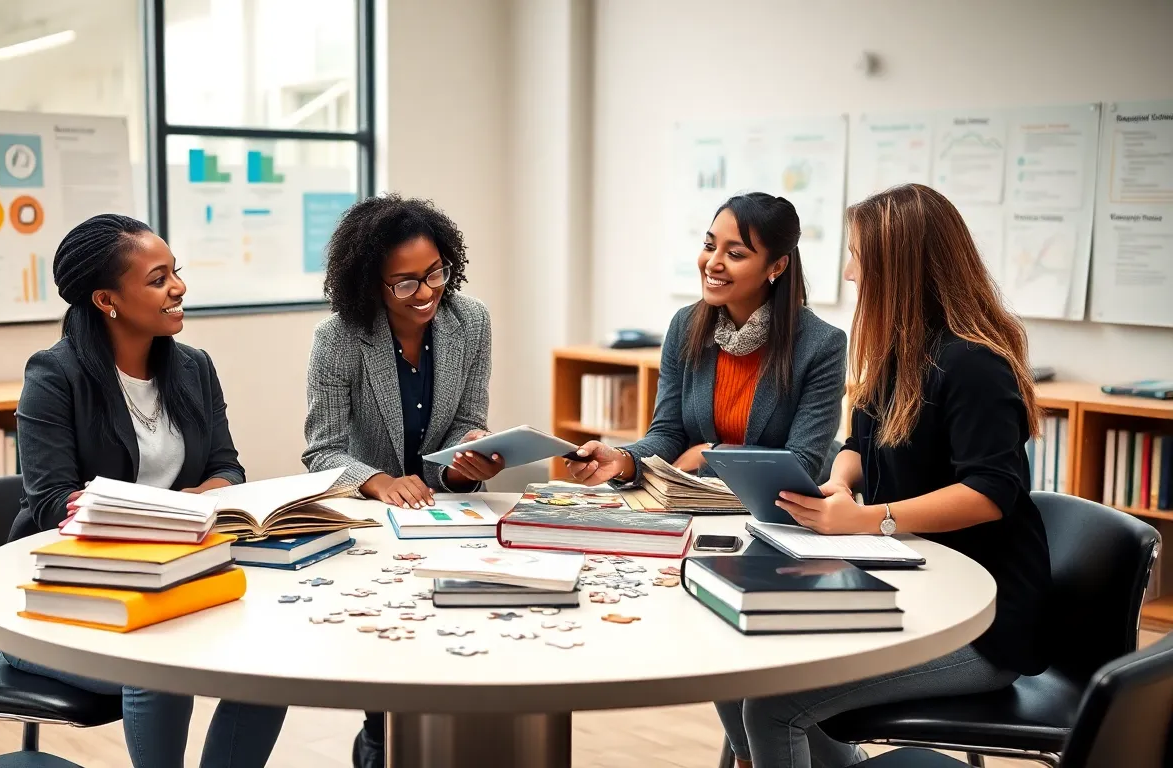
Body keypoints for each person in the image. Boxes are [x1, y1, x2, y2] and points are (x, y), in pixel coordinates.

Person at [717, 183, 1052, 768]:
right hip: (914, 589)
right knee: (745, 664)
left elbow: (990, 492)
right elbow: (858, 444)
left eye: (857, 257)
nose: (849, 274)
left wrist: (871, 519)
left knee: (773, 705)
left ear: (899, 266)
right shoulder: (900, 353)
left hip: (980, 626)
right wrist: (842, 484)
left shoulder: (975, 366)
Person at [9, 213, 288, 768]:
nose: (178, 287)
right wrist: (164, 514)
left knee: (268, 665)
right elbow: (49, 504)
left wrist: (188, 508)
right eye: (158, 278)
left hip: (176, 575)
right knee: (157, 674)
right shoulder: (54, 375)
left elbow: (228, 470)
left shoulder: (193, 368)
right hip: (71, 590)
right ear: (107, 299)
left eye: (175, 272)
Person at [301, 193, 501, 767]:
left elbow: (467, 420)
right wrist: (377, 480)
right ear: (371, 284)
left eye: (435, 272)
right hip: (371, 528)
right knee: (386, 680)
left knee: (456, 657)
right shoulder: (338, 338)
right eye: (405, 282)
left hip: (447, 519)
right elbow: (323, 451)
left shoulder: (472, 320)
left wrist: (469, 460)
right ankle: (376, 745)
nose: (427, 292)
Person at [564, 192, 846, 488]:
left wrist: (710, 456)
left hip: (777, 511)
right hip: (697, 501)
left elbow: (802, 464)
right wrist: (621, 460)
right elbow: (668, 434)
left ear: (776, 267)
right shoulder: (685, 326)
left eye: (735, 254)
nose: (712, 263)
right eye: (709, 246)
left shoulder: (822, 345)